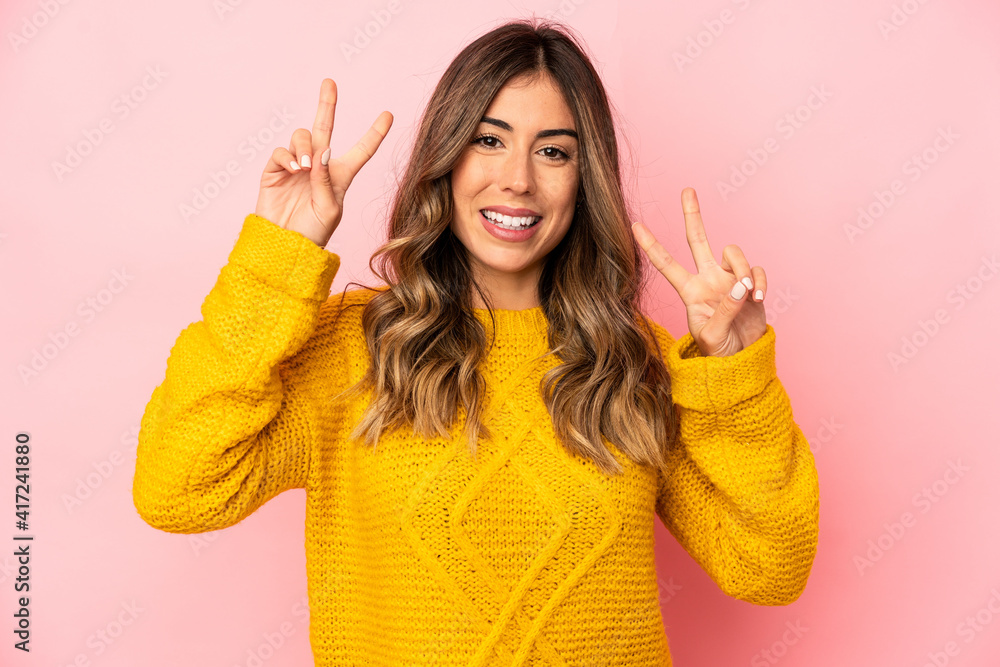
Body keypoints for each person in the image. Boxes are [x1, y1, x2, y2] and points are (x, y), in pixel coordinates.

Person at [132, 18, 819, 666]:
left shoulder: (631, 361)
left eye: (553, 151)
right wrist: (277, 258)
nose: (518, 177)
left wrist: (737, 375)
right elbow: (178, 488)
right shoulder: (354, 347)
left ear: (586, 181)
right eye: (489, 140)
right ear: (446, 157)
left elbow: (768, 566)